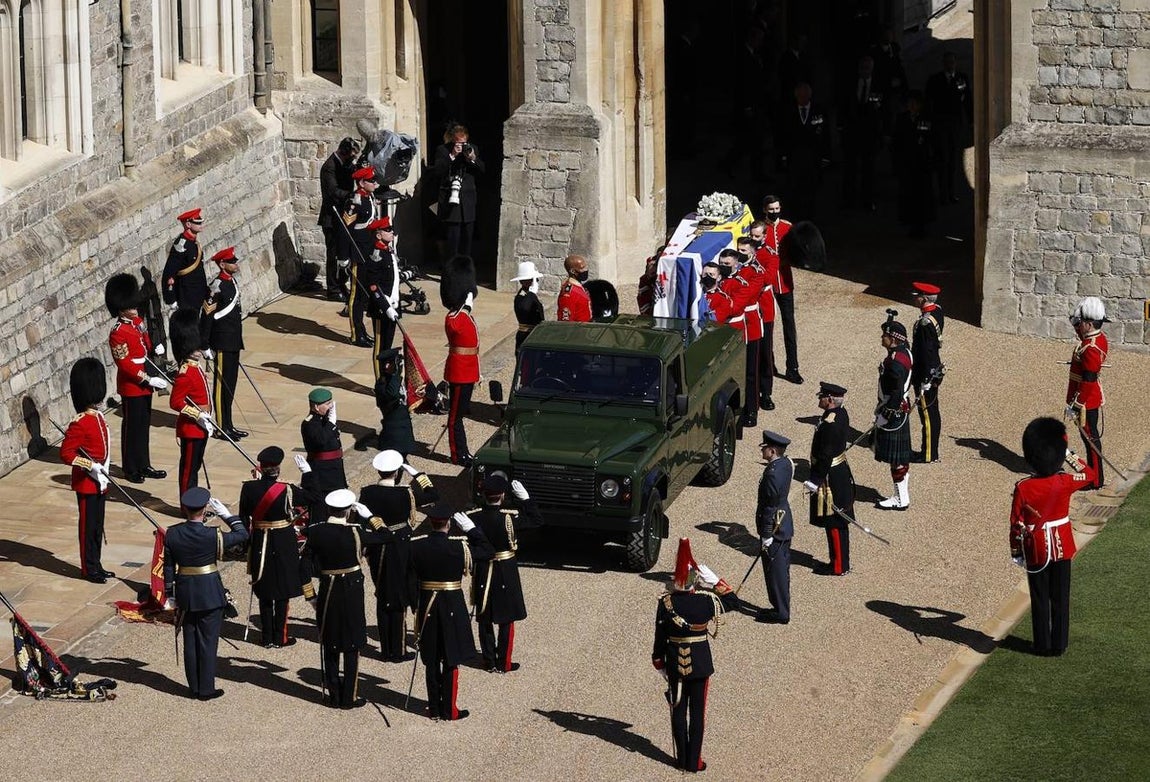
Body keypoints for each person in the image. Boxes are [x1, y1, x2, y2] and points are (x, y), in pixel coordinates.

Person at [1011, 417, 1097, 656]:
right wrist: (1067, 453)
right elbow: (1089, 474)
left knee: (1039, 598)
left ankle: (1042, 643)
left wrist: (1017, 552)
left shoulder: (1024, 487)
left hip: (1036, 547)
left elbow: (1016, 524)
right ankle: (1059, 644)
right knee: (1060, 597)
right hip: (1061, 545)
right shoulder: (1064, 481)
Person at [302, 489, 391, 708]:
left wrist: (310, 595)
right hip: (351, 590)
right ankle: (349, 697)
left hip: (328, 589)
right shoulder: (356, 532)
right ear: (350, 510)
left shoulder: (315, 532)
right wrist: (371, 517)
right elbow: (386, 537)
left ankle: (333, 695)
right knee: (352, 643)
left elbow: (302, 567)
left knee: (330, 641)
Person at [408, 501, 494, 721]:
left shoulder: (416, 546)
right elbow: (488, 551)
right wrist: (472, 530)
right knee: (450, 658)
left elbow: (409, 578)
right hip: (452, 607)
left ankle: (434, 707)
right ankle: (450, 709)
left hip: (427, 607)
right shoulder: (459, 547)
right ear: (448, 524)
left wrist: (414, 604)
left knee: (432, 659)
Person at [163, 486, 249, 701]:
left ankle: (193, 687)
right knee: (208, 643)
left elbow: (168, 567)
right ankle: (206, 689)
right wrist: (227, 515)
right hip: (209, 591)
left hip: (185, 592)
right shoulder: (212, 534)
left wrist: (169, 593)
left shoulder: (173, 533)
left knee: (190, 641)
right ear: (204, 509)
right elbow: (242, 534)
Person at [651, 538, 724, 773]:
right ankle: (694, 762)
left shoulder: (666, 603)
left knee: (678, 712)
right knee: (698, 716)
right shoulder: (706, 601)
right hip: (700, 664)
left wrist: (660, 663)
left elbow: (659, 637)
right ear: (695, 581)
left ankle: (681, 759)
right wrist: (717, 582)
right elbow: (733, 601)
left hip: (674, 663)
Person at [359, 450, 438, 661]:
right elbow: (432, 495)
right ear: (396, 472)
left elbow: (363, 521)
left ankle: (386, 648)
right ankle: (398, 649)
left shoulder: (367, 492)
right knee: (400, 595)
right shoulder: (405, 493)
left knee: (383, 593)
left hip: (377, 548)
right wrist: (417, 474)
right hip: (400, 546)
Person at [466, 473, 542, 673]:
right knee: (506, 618)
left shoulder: (474, 518)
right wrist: (526, 499)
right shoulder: (508, 518)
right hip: (505, 568)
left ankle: (489, 660)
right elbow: (536, 520)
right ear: (502, 495)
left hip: (483, 568)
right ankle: (503, 662)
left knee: (485, 616)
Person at [239, 446, 311, 648]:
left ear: (260, 468)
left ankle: (267, 636)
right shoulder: (287, 489)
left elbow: (244, 517)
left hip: (260, 539)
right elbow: (313, 497)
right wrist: (307, 473)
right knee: (281, 591)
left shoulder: (249, 488)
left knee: (264, 588)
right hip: (283, 540)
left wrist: (247, 542)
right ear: (278, 468)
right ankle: (281, 636)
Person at [106, 273, 168, 484]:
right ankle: (131, 468)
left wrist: (155, 346)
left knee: (143, 425)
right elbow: (124, 364)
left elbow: (145, 340)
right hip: (132, 385)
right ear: (121, 307)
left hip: (144, 379)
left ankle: (144, 464)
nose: (134, 308)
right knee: (132, 428)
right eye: (130, 306)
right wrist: (147, 380)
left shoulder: (137, 322)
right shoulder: (117, 332)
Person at [60, 358, 113, 584]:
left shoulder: (99, 417)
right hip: (87, 482)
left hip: (100, 481)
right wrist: (89, 465)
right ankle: (88, 568)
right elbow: (66, 453)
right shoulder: (79, 423)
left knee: (98, 527)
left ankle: (97, 564)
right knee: (87, 528)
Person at [803, 383, 854, 575]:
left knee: (834, 522)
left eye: (822, 397)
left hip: (829, 476)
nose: (820, 399)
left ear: (830, 400)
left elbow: (825, 455)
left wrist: (815, 479)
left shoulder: (830, 424)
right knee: (835, 522)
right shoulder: (838, 414)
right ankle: (838, 561)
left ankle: (839, 565)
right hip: (836, 471)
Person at [200, 246, 247, 440]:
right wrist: (204, 344)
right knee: (221, 386)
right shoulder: (215, 287)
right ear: (222, 264)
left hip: (233, 340)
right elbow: (207, 317)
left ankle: (229, 424)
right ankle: (221, 426)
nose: (235, 264)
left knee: (231, 385)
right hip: (221, 341)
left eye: (235, 261)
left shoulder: (231, 282)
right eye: (231, 261)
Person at [169, 308, 214, 498]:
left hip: (202, 425)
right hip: (192, 428)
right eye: (195, 348)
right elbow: (175, 402)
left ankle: (194, 503)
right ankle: (187, 506)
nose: (199, 351)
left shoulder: (195, 368)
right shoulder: (185, 373)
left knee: (195, 467)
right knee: (188, 471)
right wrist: (197, 415)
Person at [1066, 296, 1109, 489]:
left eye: (1082, 322)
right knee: (1089, 438)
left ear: (1089, 324)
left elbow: (1089, 380)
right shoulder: (1096, 338)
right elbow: (1080, 332)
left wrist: (1076, 405)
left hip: (1086, 401)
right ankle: (1094, 475)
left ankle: (1095, 480)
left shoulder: (1090, 348)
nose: (1079, 325)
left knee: (1090, 440)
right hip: (1086, 399)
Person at [717, 248, 762, 428]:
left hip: (738, 327)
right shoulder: (717, 280)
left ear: (736, 263)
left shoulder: (741, 282)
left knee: (748, 373)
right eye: (722, 264)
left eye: (727, 264)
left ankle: (750, 409)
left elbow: (735, 307)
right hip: (721, 329)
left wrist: (714, 310)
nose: (724, 267)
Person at [441, 260, 479, 466]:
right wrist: (465, 307)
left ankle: (464, 451)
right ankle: (458, 454)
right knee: (455, 418)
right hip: (458, 372)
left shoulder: (463, 315)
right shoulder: (454, 316)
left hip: (468, 371)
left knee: (460, 414)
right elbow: (455, 327)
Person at [761, 195, 802, 384]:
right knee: (767, 327)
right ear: (765, 210)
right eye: (771, 209)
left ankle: (792, 367)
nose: (775, 212)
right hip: (767, 284)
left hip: (784, 282)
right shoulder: (760, 229)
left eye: (777, 208)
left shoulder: (787, 227)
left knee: (789, 327)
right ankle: (768, 365)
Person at [341, 165, 383, 347]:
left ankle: (363, 331)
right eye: (371, 181)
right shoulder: (354, 200)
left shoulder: (369, 197)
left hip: (368, 250)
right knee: (356, 296)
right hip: (358, 252)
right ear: (361, 182)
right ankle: (356, 334)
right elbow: (345, 231)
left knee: (365, 294)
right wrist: (343, 256)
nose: (375, 183)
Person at [874, 319, 914, 510]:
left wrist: (886, 414)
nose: (882, 338)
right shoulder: (905, 353)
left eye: (885, 336)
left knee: (895, 461)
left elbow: (896, 391)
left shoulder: (894, 363)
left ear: (892, 339)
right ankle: (903, 496)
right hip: (901, 410)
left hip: (894, 412)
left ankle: (900, 499)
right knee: (900, 459)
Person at [776, 82, 830, 221]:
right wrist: (783, 155)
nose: (803, 99)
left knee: (812, 188)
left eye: (805, 96)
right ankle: (794, 215)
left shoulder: (819, 110)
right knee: (794, 187)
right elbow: (782, 135)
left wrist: (826, 156)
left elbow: (826, 134)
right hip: (795, 156)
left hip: (814, 157)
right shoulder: (788, 111)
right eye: (800, 96)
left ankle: (811, 216)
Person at [840, 55, 887, 212]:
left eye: (868, 68)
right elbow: (843, 106)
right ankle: (849, 201)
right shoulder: (849, 84)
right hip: (852, 133)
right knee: (850, 169)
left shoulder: (879, 85)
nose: (865, 71)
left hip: (871, 134)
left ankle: (868, 200)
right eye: (862, 68)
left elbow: (886, 109)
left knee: (869, 170)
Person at [755, 431, 793, 624]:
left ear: (772, 450)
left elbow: (770, 507)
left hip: (776, 528)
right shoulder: (785, 464)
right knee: (779, 570)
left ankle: (781, 612)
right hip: (783, 521)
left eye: (764, 448)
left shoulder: (772, 474)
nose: (762, 451)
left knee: (775, 572)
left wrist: (766, 533)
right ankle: (779, 606)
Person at [925, 51, 971, 205]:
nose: (950, 65)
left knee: (952, 160)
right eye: (947, 62)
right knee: (941, 159)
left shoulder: (961, 79)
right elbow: (928, 103)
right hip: (940, 123)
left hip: (955, 124)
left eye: (952, 62)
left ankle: (951, 193)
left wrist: (971, 120)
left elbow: (967, 100)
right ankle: (942, 193)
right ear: (943, 64)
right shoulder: (935, 80)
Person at [433, 123, 485, 258]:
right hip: (451, 203)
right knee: (452, 242)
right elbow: (438, 172)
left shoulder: (472, 149)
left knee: (467, 242)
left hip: (467, 202)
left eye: (464, 142)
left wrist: (473, 158)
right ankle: (449, 274)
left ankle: (464, 273)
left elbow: (482, 171)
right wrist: (452, 156)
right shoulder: (443, 150)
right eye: (459, 143)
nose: (462, 146)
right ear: (452, 141)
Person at [319, 137, 360, 302]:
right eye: (350, 155)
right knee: (334, 254)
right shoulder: (329, 167)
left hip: (344, 216)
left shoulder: (344, 164)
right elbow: (333, 191)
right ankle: (333, 290)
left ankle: (342, 284)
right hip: (331, 217)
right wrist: (351, 195)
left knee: (345, 253)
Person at [360, 216, 401, 379]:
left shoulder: (388, 250)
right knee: (380, 347)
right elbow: (374, 286)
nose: (391, 232)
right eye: (388, 230)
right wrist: (387, 308)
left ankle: (387, 376)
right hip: (382, 308)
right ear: (378, 234)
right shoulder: (376, 255)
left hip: (393, 303)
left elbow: (392, 277)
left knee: (388, 345)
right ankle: (379, 381)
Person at [892, 91, 936, 238]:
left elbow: (931, 139)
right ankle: (910, 223)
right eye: (909, 104)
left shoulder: (926, 120)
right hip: (906, 163)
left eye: (914, 104)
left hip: (921, 163)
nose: (911, 106)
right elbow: (896, 141)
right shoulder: (902, 119)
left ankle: (921, 225)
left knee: (921, 196)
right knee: (908, 195)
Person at [911, 282, 945, 463]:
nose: (914, 297)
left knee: (927, 414)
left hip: (926, 372)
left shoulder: (925, 323)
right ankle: (931, 451)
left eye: (917, 295)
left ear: (924, 298)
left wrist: (925, 377)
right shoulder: (936, 311)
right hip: (933, 369)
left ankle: (929, 454)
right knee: (932, 412)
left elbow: (926, 352)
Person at [744, 225, 777, 410]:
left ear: (764, 236)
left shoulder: (769, 255)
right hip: (748, 309)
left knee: (765, 353)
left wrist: (754, 265)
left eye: (757, 236)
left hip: (763, 308)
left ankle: (766, 392)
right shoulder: (745, 252)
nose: (754, 239)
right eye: (751, 236)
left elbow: (768, 279)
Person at [301, 387, 347, 495]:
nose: (331, 406)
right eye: (327, 404)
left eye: (331, 402)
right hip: (323, 472)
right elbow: (321, 440)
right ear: (316, 407)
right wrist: (331, 423)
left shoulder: (326, 419)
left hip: (334, 467)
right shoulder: (309, 423)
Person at [161, 208, 208, 313]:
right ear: (188, 224)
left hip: (198, 293)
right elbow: (170, 272)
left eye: (201, 222)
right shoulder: (181, 246)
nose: (201, 224)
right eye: (197, 222)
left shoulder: (194, 243)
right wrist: (171, 299)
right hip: (186, 295)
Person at [374, 347, 416, 456]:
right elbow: (392, 394)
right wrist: (395, 374)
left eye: (389, 363)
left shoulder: (398, 379)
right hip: (393, 430)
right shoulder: (382, 383)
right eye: (384, 363)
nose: (386, 366)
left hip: (404, 427)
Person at [511, 261, 545, 354]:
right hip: (526, 335)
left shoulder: (529, 295)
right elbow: (525, 308)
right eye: (534, 279)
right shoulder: (522, 296)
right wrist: (532, 293)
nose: (537, 281)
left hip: (534, 334)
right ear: (525, 281)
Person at [557, 254, 593, 323]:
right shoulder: (568, 294)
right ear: (573, 271)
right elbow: (566, 321)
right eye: (582, 268)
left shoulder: (579, 286)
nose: (586, 270)